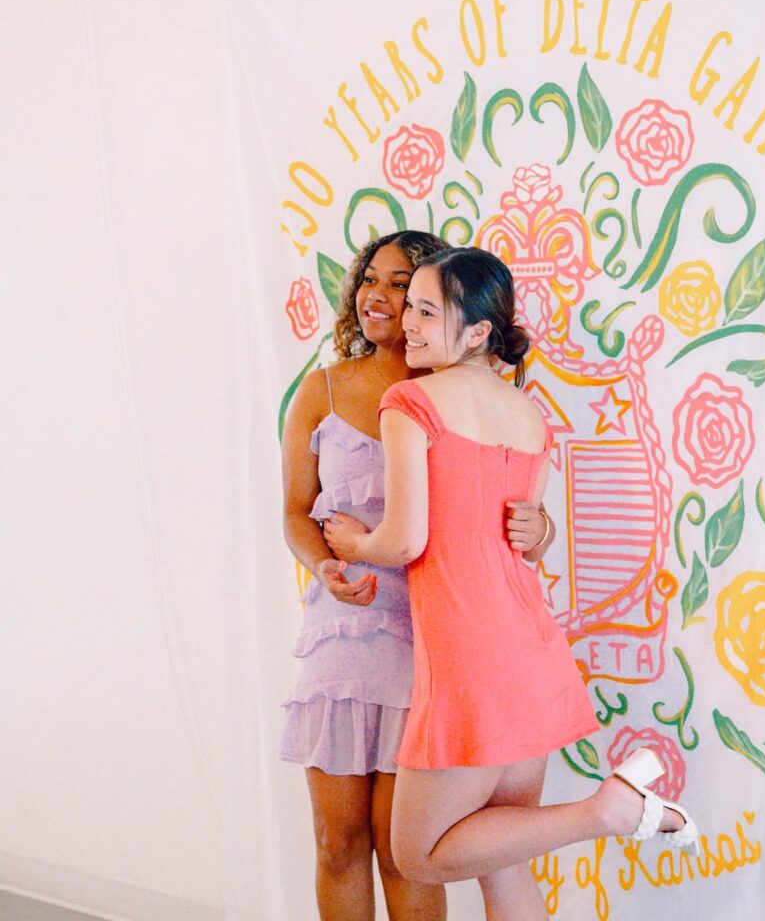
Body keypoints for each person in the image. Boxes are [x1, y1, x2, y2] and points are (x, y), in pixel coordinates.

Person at [323, 246, 698, 921]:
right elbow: (519, 535)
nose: (408, 321)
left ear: (475, 333)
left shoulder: (408, 399)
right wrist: (543, 532)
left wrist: (354, 543)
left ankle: (602, 811)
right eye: (409, 306)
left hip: (470, 658)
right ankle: (600, 811)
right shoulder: (529, 416)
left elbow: (405, 539)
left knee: (418, 853)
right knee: (504, 866)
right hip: (528, 648)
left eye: (426, 310)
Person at [280, 232, 555, 921]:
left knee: (407, 850)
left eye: (403, 287)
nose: (379, 297)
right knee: (337, 842)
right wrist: (326, 565)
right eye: (369, 279)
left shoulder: (453, 397)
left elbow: (507, 519)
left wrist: (542, 531)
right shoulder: (322, 390)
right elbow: (293, 513)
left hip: (433, 641)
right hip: (342, 636)